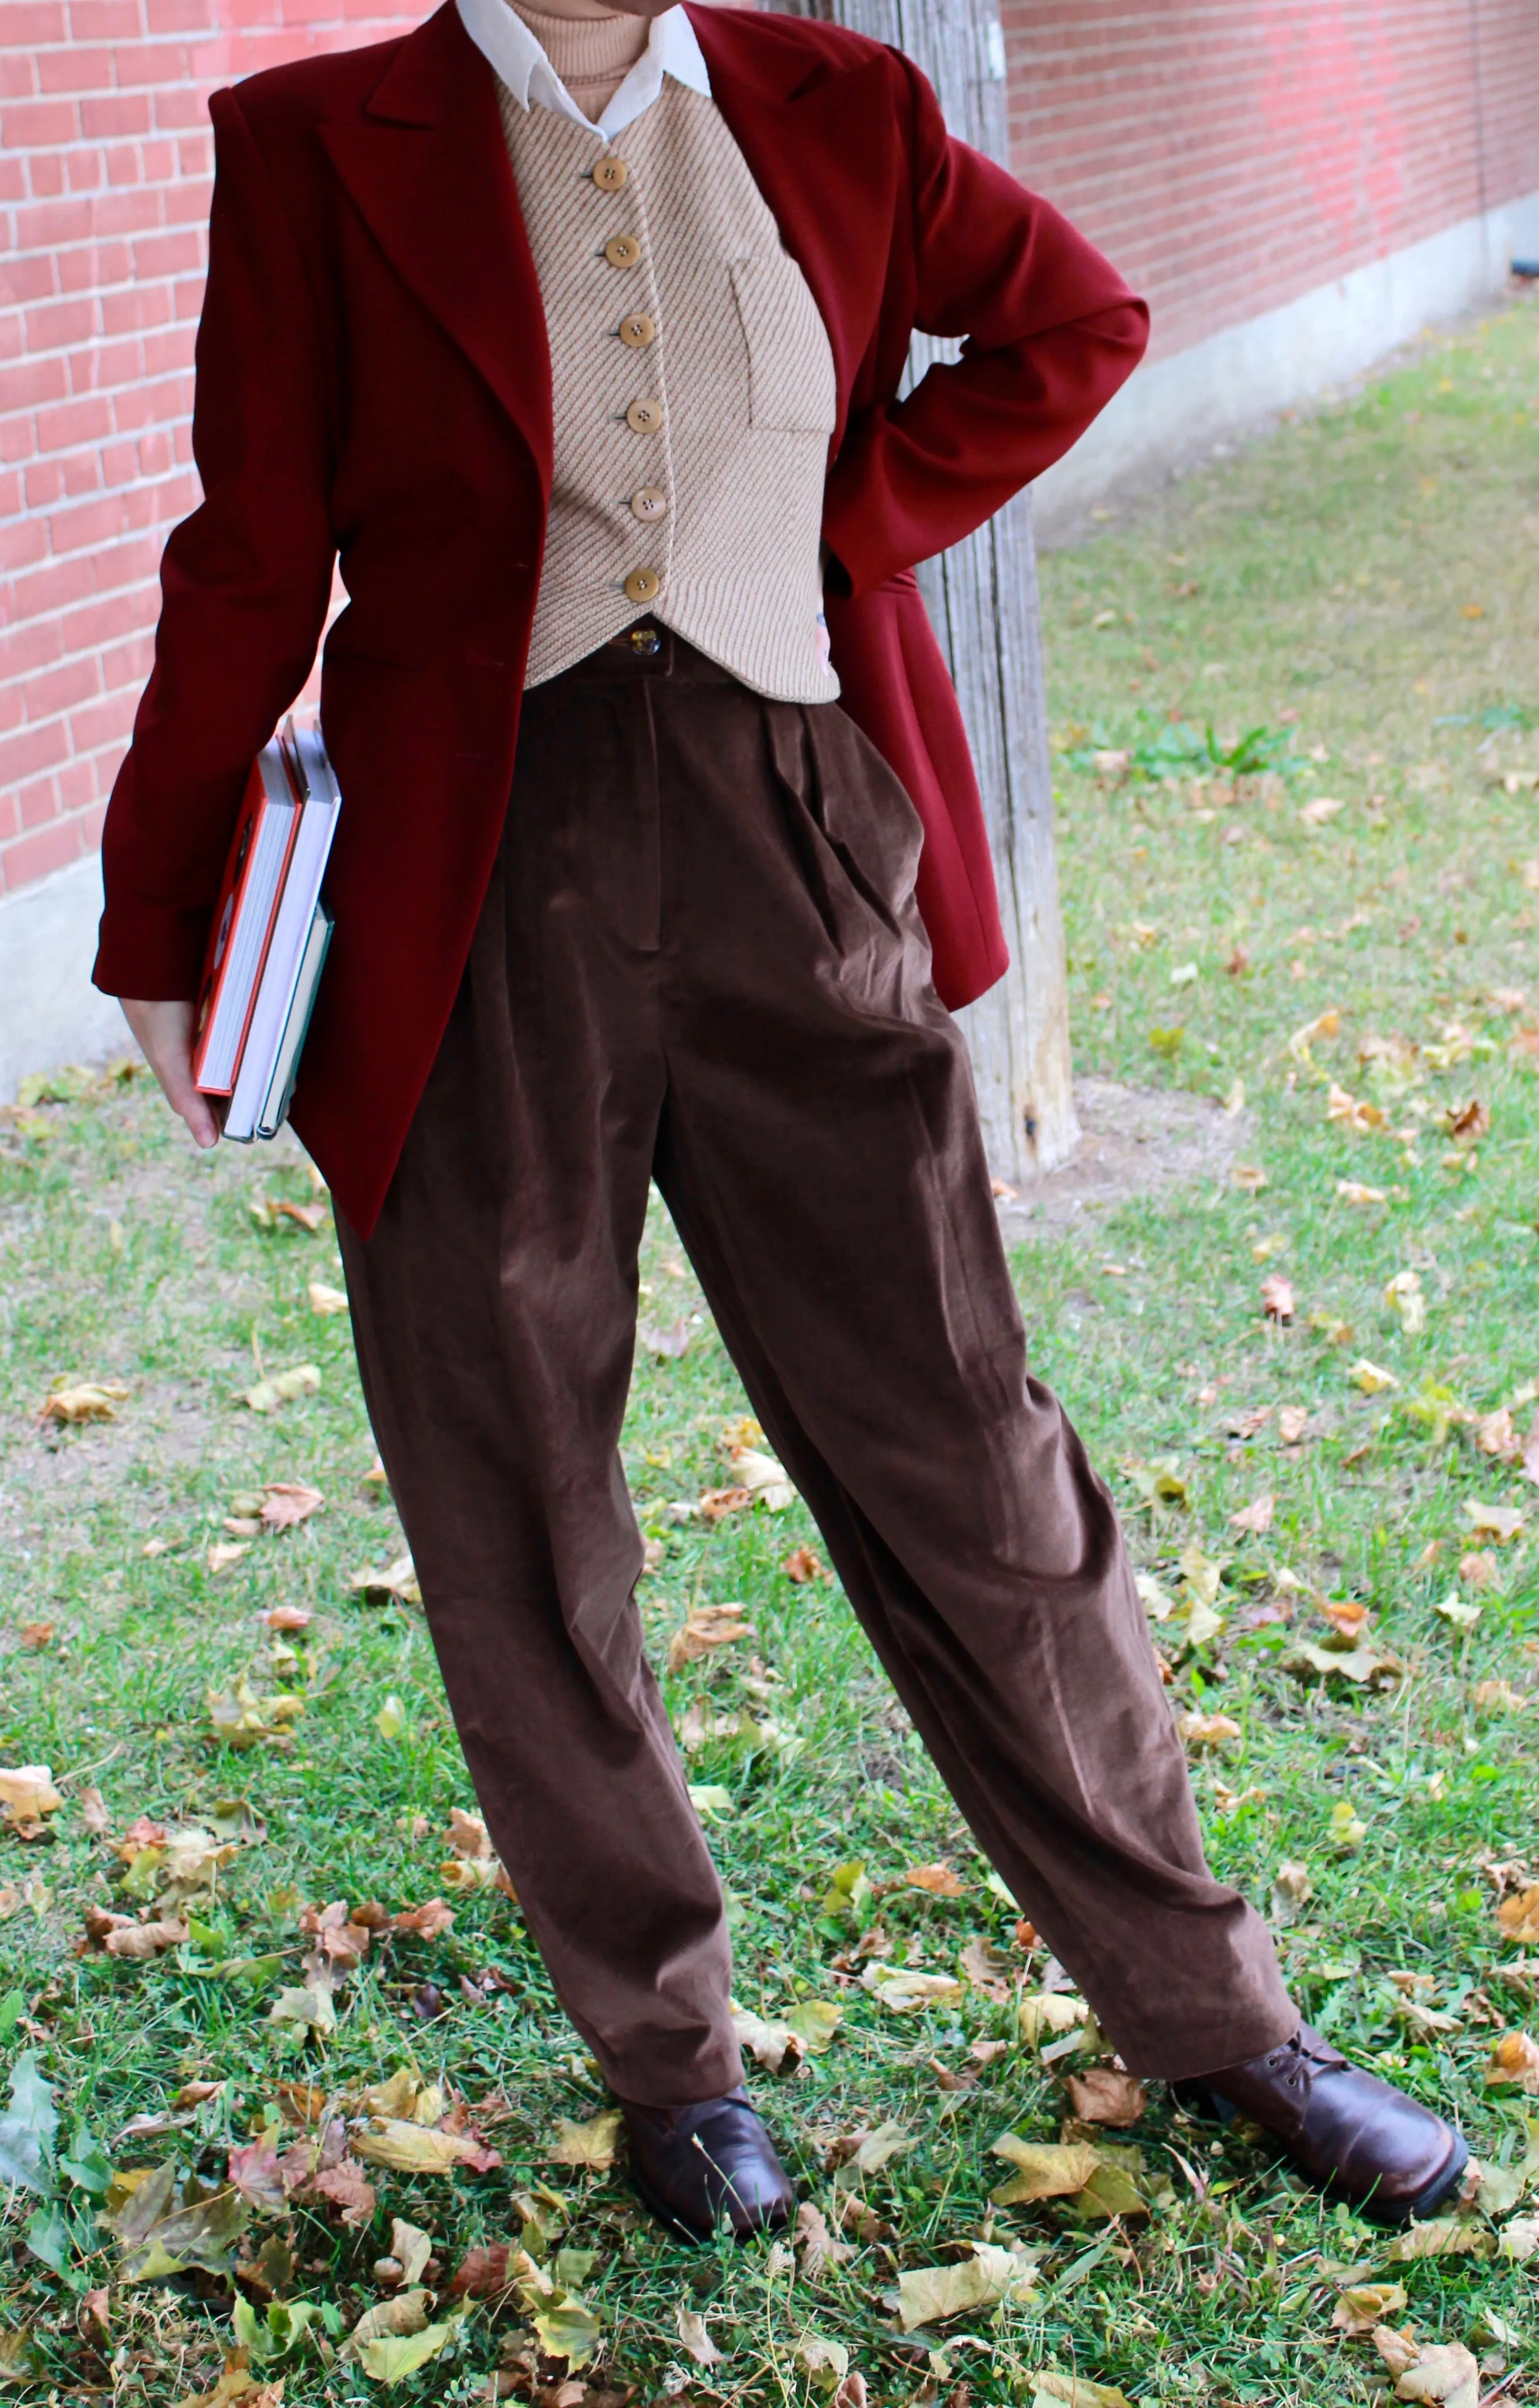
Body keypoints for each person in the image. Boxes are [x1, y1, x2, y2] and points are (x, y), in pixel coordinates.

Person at [97, 0, 1465, 2243]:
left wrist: (851, 516)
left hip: (797, 830)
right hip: (473, 883)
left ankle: (1216, 2019)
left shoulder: (845, 102)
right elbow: (249, 546)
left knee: (969, 1449)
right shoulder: (316, 143)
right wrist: (158, 915)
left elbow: (1072, 321)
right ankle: (673, 2067)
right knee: (515, 1492)